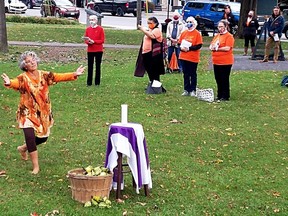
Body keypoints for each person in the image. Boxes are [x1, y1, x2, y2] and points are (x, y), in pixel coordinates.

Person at [1, 51, 85, 174]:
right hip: (27, 112)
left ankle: (23, 148)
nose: (32, 63)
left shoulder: (44, 75)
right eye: (28, 62)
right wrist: (9, 82)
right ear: (25, 66)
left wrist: (74, 74)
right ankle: (36, 167)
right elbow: (16, 83)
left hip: (43, 112)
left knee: (43, 138)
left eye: (33, 60)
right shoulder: (23, 77)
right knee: (30, 137)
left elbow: (58, 77)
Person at [209, 20, 234, 102]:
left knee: (224, 78)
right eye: (218, 27)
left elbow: (227, 48)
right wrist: (212, 47)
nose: (219, 28)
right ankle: (219, 94)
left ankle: (225, 95)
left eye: (221, 26)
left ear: (225, 26)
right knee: (218, 78)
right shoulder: (217, 36)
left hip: (225, 61)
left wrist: (218, 49)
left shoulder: (229, 36)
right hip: (216, 61)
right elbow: (212, 44)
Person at [178, 16, 203, 96]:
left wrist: (189, 48)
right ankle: (186, 89)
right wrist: (182, 48)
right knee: (185, 73)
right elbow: (179, 43)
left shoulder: (197, 33)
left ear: (194, 23)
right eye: (188, 21)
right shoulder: (184, 33)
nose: (189, 23)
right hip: (183, 56)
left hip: (193, 57)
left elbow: (198, 45)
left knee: (192, 73)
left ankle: (193, 89)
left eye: (190, 22)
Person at [136, 17, 165, 84]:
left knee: (154, 69)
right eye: (148, 23)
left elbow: (152, 36)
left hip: (153, 54)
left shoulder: (156, 30)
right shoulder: (149, 30)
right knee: (148, 68)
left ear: (155, 23)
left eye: (150, 23)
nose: (149, 24)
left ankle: (156, 83)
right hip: (146, 52)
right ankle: (151, 81)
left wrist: (142, 29)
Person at [83, 15, 105, 86]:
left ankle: (97, 82)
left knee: (98, 66)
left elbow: (102, 40)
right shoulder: (88, 29)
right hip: (90, 50)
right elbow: (86, 39)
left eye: (93, 20)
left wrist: (94, 41)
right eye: (90, 20)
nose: (91, 21)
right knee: (90, 66)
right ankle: (89, 82)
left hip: (98, 50)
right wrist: (88, 42)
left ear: (96, 20)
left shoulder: (100, 29)